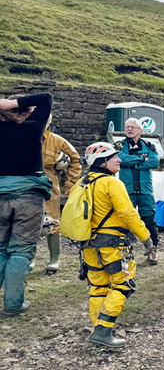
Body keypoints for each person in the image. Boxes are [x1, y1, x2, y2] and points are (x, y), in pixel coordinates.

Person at [80, 142, 151, 348]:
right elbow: (128, 213)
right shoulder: (112, 183)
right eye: (114, 157)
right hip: (112, 245)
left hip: (88, 245)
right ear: (102, 163)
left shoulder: (83, 182)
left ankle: (98, 329)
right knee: (122, 284)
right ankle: (103, 331)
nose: (119, 160)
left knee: (98, 286)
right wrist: (146, 238)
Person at [0, 93, 53, 316]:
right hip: (29, 196)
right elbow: (46, 98)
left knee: (0, 248)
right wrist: (13, 103)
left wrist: (5, 106)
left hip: (1, 194)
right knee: (20, 251)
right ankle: (13, 304)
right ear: (27, 111)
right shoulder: (34, 126)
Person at [41, 114, 82, 274]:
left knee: (52, 219)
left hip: (49, 183)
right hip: (25, 182)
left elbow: (75, 159)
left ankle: (54, 259)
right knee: (26, 220)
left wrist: (71, 183)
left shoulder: (57, 140)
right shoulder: (22, 135)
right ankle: (29, 259)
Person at [118, 118, 160, 265]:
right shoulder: (119, 145)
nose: (129, 129)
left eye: (133, 127)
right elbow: (120, 159)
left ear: (141, 131)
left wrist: (133, 164)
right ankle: (125, 252)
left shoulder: (149, 145)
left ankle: (153, 250)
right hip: (126, 189)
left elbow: (155, 162)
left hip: (145, 189)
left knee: (149, 219)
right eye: (127, 127)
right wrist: (142, 158)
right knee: (124, 221)